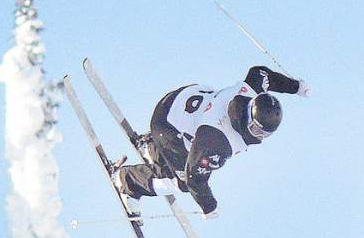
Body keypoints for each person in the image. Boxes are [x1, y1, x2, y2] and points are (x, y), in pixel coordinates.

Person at [115, 65, 310, 218]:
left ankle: (152, 147)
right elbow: (194, 177)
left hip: (179, 100)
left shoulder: (251, 90)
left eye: (263, 134)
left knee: (189, 149)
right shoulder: (217, 139)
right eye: (255, 129)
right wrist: (208, 205)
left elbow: (263, 73)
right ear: (249, 117)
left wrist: (296, 87)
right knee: (182, 182)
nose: (257, 136)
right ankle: (127, 181)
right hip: (166, 126)